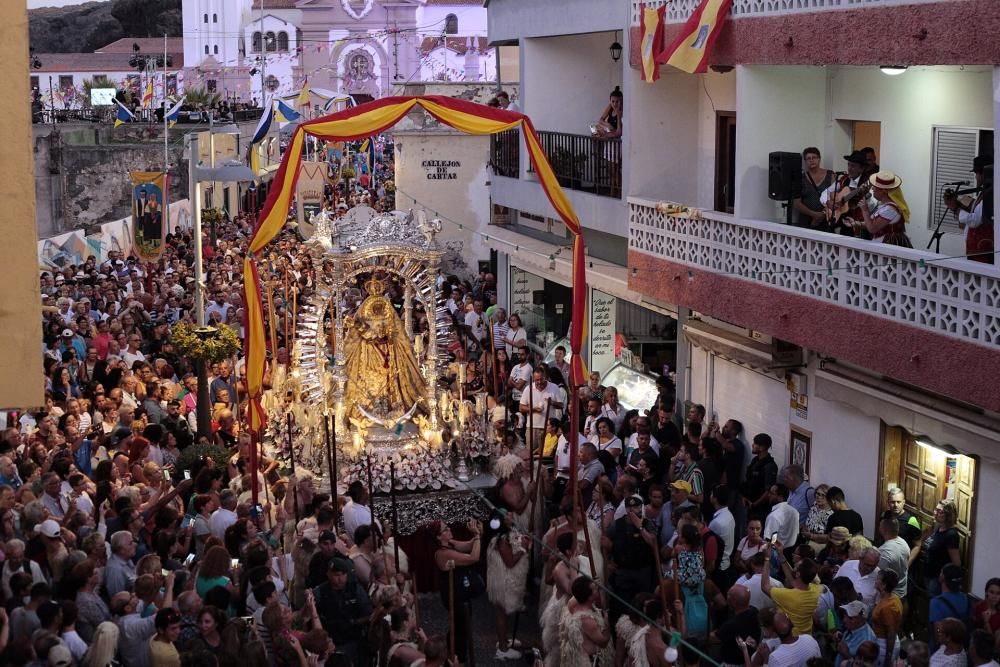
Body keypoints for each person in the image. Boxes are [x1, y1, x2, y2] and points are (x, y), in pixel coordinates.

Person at [431, 520, 482, 666]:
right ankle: (456, 659)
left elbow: (469, 545)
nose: (449, 529)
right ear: (439, 537)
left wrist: (477, 533)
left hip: (460, 592)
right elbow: (473, 558)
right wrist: (477, 536)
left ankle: (451, 656)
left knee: (461, 626)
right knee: (460, 629)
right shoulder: (442, 553)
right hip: (454, 595)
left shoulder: (450, 543)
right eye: (445, 529)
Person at [486, 511, 530, 660]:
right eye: (507, 515)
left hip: (504, 579)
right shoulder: (502, 540)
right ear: (502, 521)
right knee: (501, 613)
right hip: (503, 581)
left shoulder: (506, 534)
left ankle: (504, 640)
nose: (511, 515)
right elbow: (510, 562)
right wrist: (523, 548)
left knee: (503, 612)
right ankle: (503, 649)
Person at [761, 541, 821, 637]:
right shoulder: (816, 590)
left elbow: (764, 586)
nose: (794, 566)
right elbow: (793, 580)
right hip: (807, 636)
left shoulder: (787, 595)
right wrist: (781, 555)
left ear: (798, 574)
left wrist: (767, 559)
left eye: (796, 566)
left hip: (792, 638)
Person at [944, 154, 994, 264]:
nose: (976, 177)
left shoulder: (991, 195)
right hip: (976, 250)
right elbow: (974, 211)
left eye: (976, 173)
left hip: (983, 252)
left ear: (983, 173)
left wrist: (955, 207)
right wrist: (957, 204)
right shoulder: (985, 192)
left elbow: (975, 221)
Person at [558, 576, 612, 667]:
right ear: (590, 597)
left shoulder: (572, 607)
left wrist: (593, 583)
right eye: (595, 589)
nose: (597, 589)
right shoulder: (586, 619)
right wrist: (607, 623)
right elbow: (603, 642)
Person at [915, 499, 962, 597]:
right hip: (928, 574)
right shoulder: (938, 528)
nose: (935, 513)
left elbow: (956, 563)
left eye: (940, 511)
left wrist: (944, 576)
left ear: (948, 515)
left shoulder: (951, 534)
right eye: (936, 509)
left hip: (938, 579)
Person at [853, 170, 913, 246]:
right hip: (881, 245)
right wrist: (857, 223)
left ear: (883, 191)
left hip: (889, 246)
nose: (872, 189)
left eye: (875, 187)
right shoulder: (884, 206)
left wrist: (865, 210)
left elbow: (872, 229)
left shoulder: (890, 209)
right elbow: (873, 223)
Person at [794, 146, 835, 230]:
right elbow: (797, 203)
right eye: (808, 158)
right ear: (805, 161)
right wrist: (814, 214)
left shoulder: (830, 175)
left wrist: (823, 214)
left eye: (814, 157)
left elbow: (835, 198)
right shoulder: (801, 178)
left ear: (819, 159)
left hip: (826, 219)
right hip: (806, 221)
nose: (811, 160)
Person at [836, 600, 877, 666]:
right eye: (845, 615)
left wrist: (846, 654)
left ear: (861, 620)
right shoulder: (853, 627)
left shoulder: (867, 641)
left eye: (850, 618)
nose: (844, 620)